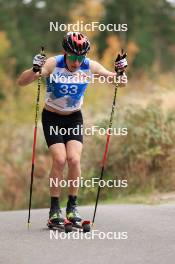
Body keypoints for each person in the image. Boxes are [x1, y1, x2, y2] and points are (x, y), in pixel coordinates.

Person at [17, 32, 127, 226]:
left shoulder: (89, 66)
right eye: (74, 57)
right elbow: (22, 81)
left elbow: (118, 82)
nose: (77, 62)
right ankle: (54, 209)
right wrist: (35, 70)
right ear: (65, 53)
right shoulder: (53, 64)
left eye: (81, 57)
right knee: (59, 160)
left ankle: (72, 207)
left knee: (74, 159)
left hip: (74, 118)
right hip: (52, 117)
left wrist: (121, 72)